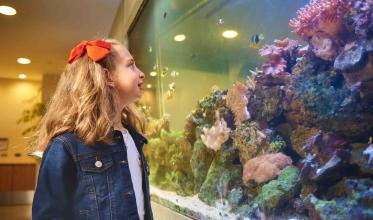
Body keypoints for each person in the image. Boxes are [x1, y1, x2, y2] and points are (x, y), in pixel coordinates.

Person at [32, 39, 153, 220]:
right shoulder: (65, 147)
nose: (141, 74)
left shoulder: (134, 139)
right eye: (131, 65)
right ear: (107, 77)